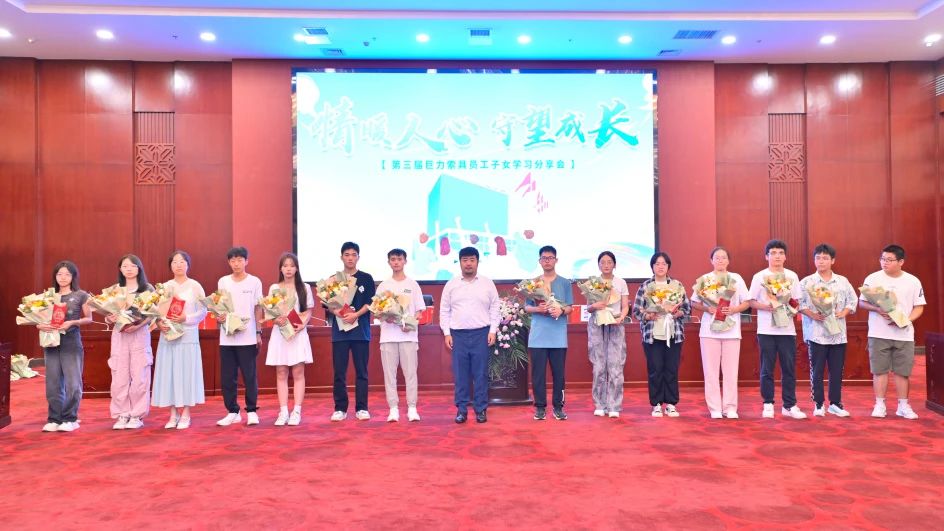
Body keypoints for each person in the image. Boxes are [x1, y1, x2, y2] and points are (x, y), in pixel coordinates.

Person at [859, 244, 926, 420]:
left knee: (902, 372)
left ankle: (903, 406)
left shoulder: (913, 281)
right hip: (878, 333)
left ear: (901, 262)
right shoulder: (872, 278)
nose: (885, 263)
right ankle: (880, 404)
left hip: (904, 334)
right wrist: (877, 309)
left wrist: (906, 321)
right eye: (882, 259)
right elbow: (862, 302)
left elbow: (919, 306)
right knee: (879, 371)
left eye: (889, 260)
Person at [747, 239, 807, 419]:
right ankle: (768, 404)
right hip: (766, 330)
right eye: (773, 253)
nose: (777, 256)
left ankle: (789, 405)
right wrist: (767, 307)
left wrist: (789, 308)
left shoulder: (792, 276)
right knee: (767, 368)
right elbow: (751, 302)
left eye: (780, 253)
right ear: (766, 256)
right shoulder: (759, 277)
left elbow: (797, 301)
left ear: (785, 256)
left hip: (787, 330)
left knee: (789, 368)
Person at [440, 247, 500, 424]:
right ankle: (461, 409)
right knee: (461, 375)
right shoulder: (451, 284)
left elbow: (495, 308)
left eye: (472, 260)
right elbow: (444, 310)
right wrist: (447, 333)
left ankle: (481, 409)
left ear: (477, 262)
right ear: (460, 262)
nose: (468, 263)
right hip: (457, 335)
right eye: (465, 260)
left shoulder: (487, 283)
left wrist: (493, 330)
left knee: (480, 374)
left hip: (481, 334)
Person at [690, 247, 750, 419]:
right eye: (717, 257)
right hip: (709, 331)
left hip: (732, 331)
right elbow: (693, 302)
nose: (720, 260)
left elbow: (747, 302)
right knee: (711, 372)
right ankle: (714, 408)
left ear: (728, 261)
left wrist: (734, 309)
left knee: (731, 372)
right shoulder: (705, 279)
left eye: (724, 257)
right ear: (711, 260)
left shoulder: (736, 278)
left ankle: (730, 408)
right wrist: (707, 308)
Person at [798, 244, 858, 418]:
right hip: (816, 333)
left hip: (838, 334)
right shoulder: (807, 282)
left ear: (833, 260)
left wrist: (844, 312)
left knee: (837, 370)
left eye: (825, 258)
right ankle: (818, 403)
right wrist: (812, 314)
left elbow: (853, 301)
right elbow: (798, 303)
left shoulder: (842, 281)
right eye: (818, 258)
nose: (821, 261)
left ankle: (835, 403)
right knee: (816, 370)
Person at [632, 252, 691, 418]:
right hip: (652, 334)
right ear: (652, 266)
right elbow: (636, 311)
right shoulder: (645, 286)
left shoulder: (677, 285)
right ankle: (656, 404)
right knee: (655, 370)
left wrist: (678, 313)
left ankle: (671, 404)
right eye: (657, 263)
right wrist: (648, 315)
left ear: (668, 266)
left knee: (671, 369)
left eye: (664, 264)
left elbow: (687, 309)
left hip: (673, 333)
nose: (660, 266)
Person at [152, 251, 207, 429]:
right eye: (175, 262)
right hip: (168, 336)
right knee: (170, 374)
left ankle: (186, 413)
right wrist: (159, 323)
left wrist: (186, 318)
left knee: (187, 374)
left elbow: (203, 311)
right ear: (170, 266)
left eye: (182, 261)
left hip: (188, 336)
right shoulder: (164, 287)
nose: (178, 265)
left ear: (188, 265)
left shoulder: (195, 286)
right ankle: (173, 413)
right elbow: (155, 312)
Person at [38, 261, 92, 432]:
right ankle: (54, 418)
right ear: (55, 276)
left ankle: (70, 418)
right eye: (59, 274)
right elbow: (38, 319)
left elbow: (89, 318)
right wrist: (40, 325)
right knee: (52, 383)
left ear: (73, 276)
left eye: (67, 274)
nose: (63, 277)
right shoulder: (48, 297)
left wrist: (73, 322)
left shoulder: (81, 295)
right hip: (51, 343)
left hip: (71, 343)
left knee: (73, 382)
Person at [216, 246, 264, 427]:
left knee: (249, 376)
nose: (236, 264)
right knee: (228, 377)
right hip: (227, 337)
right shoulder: (223, 281)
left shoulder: (254, 282)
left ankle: (251, 411)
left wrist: (258, 332)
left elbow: (258, 308)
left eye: (240, 260)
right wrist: (220, 316)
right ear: (229, 262)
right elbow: (219, 306)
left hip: (248, 337)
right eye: (233, 260)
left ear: (246, 261)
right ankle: (232, 411)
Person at [106, 254, 155, 430]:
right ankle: (122, 414)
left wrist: (138, 325)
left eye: (133, 266)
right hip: (120, 335)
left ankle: (136, 415)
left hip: (139, 335)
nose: (129, 269)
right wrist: (110, 318)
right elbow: (108, 314)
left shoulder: (147, 289)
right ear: (120, 269)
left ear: (139, 268)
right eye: (125, 266)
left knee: (140, 376)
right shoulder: (115, 290)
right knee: (119, 376)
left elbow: (152, 315)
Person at [376, 248, 426, 422]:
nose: (396, 262)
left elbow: (420, 311)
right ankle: (393, 408)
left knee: (410, 373)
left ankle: (412, 407)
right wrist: (386, 316)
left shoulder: (413, 285)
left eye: (399, 259)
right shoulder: (383, 286)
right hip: (388, 336)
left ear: (405, 261)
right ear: (388, 262)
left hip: (408, 337)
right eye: (393, 259)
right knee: (389, 375)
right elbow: (377, 311)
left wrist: (409, 323)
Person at [525, 245, 574, 421]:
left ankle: (558, 407)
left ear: (556, 260)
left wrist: (561, 310)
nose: (547, 261)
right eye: (544, 258)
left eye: (550, 258)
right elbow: (527, 307)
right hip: (538, 336)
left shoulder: (565, 283)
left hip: (558, 337)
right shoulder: (532, 283)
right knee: (538, 375)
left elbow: (570, 307)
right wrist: (538, 309)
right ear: (539, 261)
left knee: (559, 375)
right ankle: (540, 407)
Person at [329, 242, 376, 422]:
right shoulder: (334, 279)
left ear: (358, 257)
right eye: (347, 254)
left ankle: (362, 408)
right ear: (341, 257)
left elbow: (371, 302)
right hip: (340, 332)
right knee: (339, 372)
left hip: (360, 332)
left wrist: (355, 315)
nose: (350, 258)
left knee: (362, 372)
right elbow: (328, 304)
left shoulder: (366, 278)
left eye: (354, 254)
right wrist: (339, 313)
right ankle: (340, 408)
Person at [265, 252, 313, 426]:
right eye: (285, 266)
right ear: (280, 268)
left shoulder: (304, 287)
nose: (288, 269)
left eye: (292, 266)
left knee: (298, 372)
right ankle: (283, 411)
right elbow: (270, 312)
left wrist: (302, 325)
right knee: (281, 372)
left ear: (297, 268)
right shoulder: (274, 288)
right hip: (280, 334)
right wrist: (275, 319)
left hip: (297, 333)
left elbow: (308, 310)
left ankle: (297, 411)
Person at [587, 251, 629, 418]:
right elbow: (589, 308)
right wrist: (595, 306)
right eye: (602, 262)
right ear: (598, 265)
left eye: (609, 262)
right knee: (598, 365)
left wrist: (622, 317)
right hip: (597, 324)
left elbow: (625, 306)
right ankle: (599, 404)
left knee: (616, 365)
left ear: (614, 264)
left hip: (616, 324)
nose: (606, 265)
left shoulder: (621, 282)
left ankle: (614, 405)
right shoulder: (593, 283)